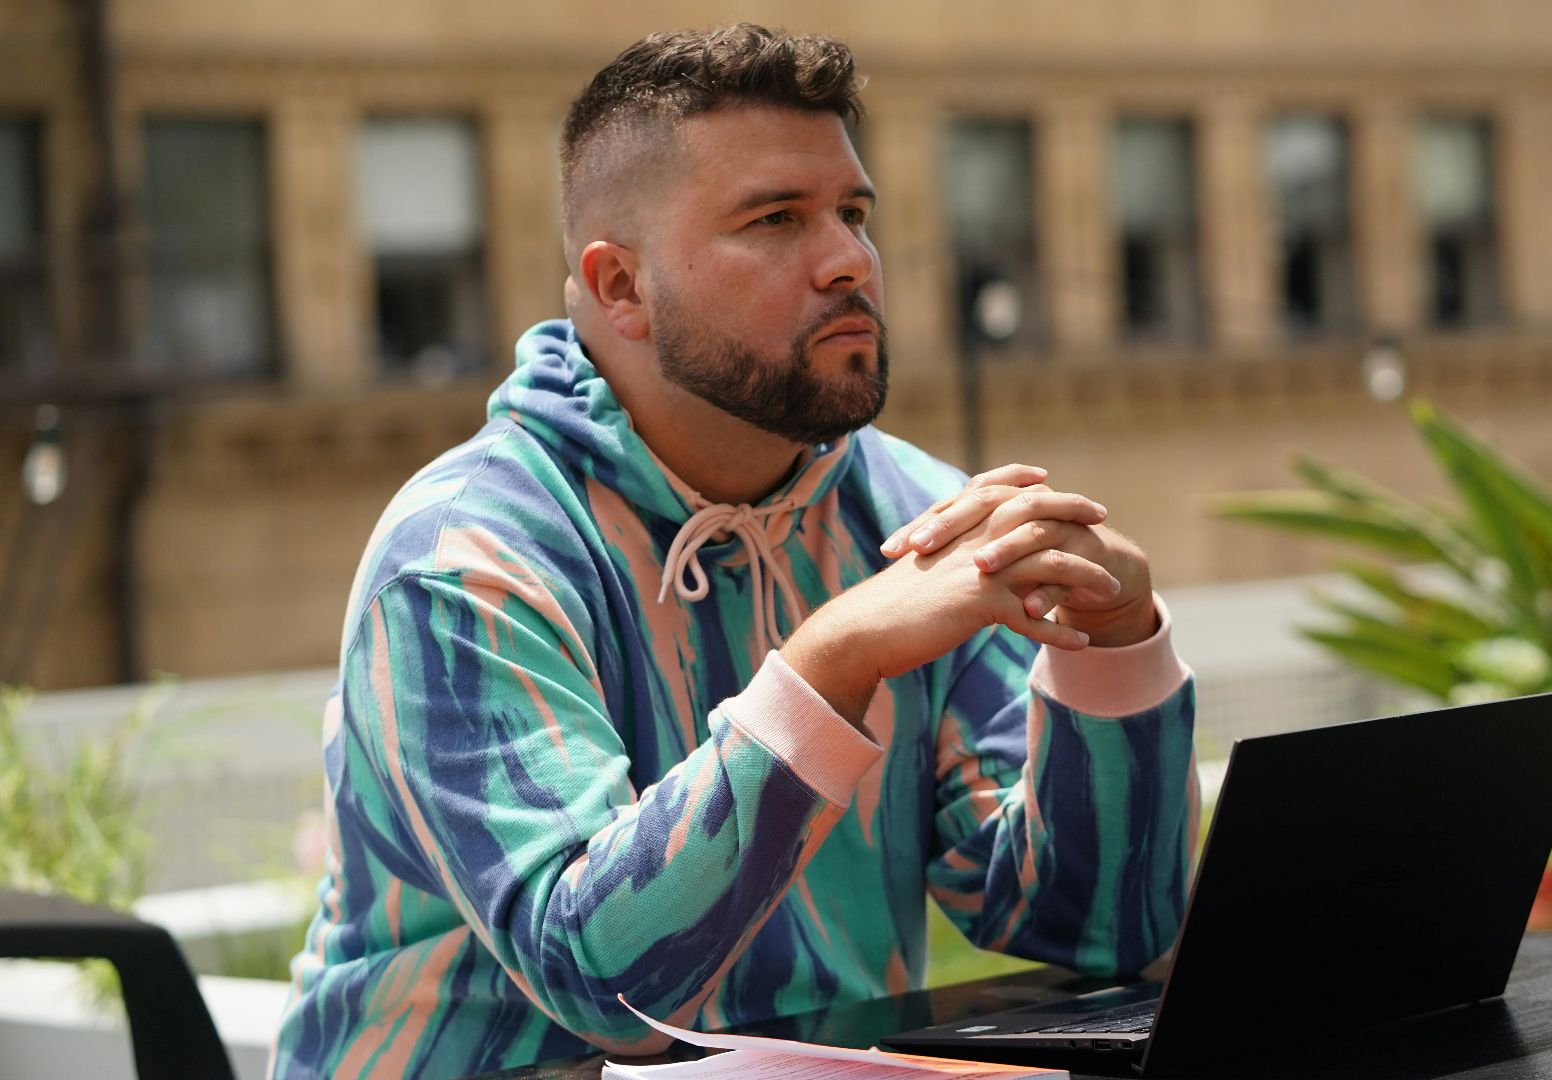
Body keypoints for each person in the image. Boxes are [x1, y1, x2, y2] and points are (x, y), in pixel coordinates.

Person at [270, 24, 1196, 1080]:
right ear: (619, 287)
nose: (850, 259)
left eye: (853, 213)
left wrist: (1114, 647)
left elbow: (1095, 939)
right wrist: (831, 662)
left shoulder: (920, 518)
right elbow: (601, 987)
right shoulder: (462, 561)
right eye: (776, 220)